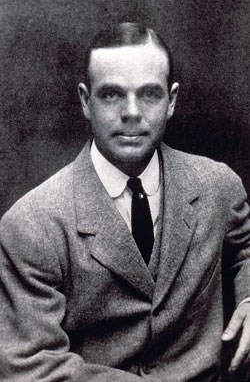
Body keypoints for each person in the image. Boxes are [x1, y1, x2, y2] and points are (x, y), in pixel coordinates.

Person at [0, 22, 249, 382]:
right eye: (112, 94)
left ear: (172, 100)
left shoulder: (218, 186)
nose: (131, 112)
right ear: (86, 100)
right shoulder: (30, 225)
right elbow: (30, 365)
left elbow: (245, 248)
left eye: (149, 94)